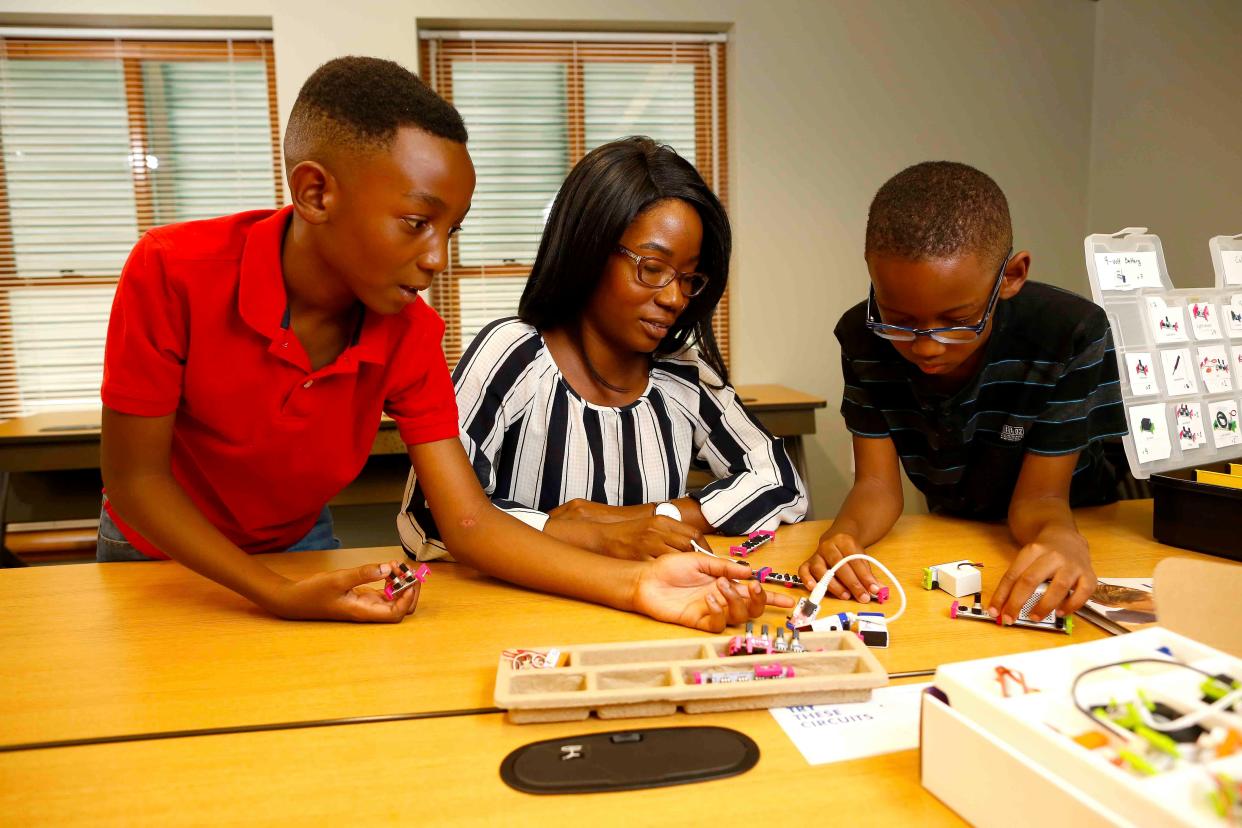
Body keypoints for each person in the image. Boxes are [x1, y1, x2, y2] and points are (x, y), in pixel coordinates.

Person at [101, 59, 778, 631]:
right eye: (417, 222)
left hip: (298, 547)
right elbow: (136, 484)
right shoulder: (172, 270)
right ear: (315, 192)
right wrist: (270, 592)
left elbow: (469, 524)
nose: (436, 259)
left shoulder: (410, 330)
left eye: (450, 231)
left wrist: (639, 587)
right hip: (160, 555)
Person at [398, 137, 807, 564]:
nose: (675, 299)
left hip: (653, 617)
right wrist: (585, 535)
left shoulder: (681, 373)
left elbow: (781, 481)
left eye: (689, 279)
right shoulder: (513, 356)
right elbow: (427, 519)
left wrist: (651, 516)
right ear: (588, 249)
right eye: (651, 268)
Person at [799, 161, 1126, 625]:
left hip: (1080, 522)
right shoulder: (862, 335)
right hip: (958, 528)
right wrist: (844, 534)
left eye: (955, 322)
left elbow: (1041, 500)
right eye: (899, 319)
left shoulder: (1069, 333)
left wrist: (1062, 539)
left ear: (1010, 276)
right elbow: (876, 486)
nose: (926, 347)